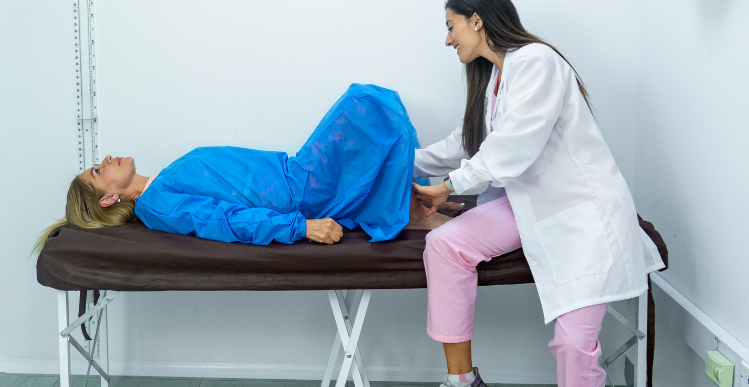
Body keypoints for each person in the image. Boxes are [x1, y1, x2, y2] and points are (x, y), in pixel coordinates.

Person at [408, 0, 664, 387]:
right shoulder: (496, 79)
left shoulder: (536, 62)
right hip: (527, 207)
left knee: (573, 346)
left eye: (451, 27)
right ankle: (463, 383)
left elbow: (513, 148)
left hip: (584, 220)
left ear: (477, 20)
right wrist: (395, 159)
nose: (448, 39)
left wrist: (450, 186)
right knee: (444, 244)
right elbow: (465, 143)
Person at [35, 83, 459, 253]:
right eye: (97, 170)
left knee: (374, 112)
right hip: (297, 192)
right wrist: (303, 227)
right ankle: (412, 211)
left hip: (294, 173)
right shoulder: (157, 206)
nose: (106, 159)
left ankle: (413, 204)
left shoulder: (160, 184)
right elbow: (228, 221)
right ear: (109, 196)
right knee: (366, 102)